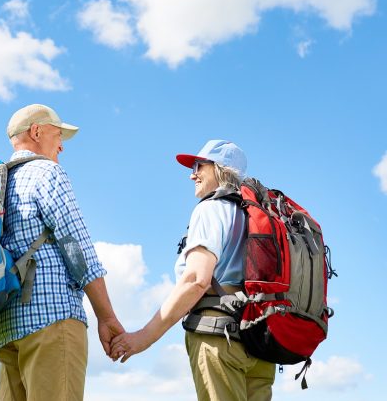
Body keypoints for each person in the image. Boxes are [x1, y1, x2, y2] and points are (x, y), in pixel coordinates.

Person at [110, 139, 276, 401]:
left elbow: (196, 280)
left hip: (220, 337)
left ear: (220, 169)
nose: (192, 174)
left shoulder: (212, 209)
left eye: (200, 165)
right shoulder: (260, 217)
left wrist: (144, 337)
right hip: (260, 342)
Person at [0, 103, 123, 401]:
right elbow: (77, 247)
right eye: (58, 135)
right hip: (52, 320)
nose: (62, 146)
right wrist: (106, 316)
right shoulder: (46, 172)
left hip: (5, 327)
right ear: (36, 131)